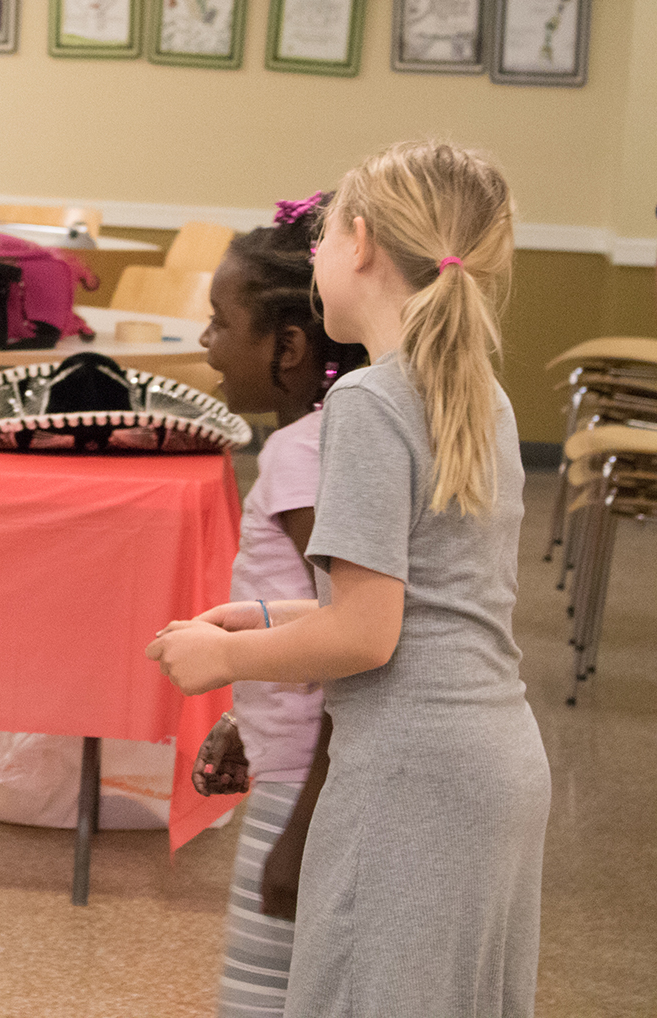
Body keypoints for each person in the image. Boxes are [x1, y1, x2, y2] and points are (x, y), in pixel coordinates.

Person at [147, 140, 549, 1017]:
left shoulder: (369, 402)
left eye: (324, 236)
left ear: (359, 243)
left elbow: (369, 634)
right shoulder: (478, 393)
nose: (319, 253)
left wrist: (224, 662)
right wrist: (270, 618)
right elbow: (431, 603)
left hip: (412, 773)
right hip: (494, 764)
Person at [187, 192, 365, 1017]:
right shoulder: (332, 442)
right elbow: (303, 613)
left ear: (288, 346)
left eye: (221, 322)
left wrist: (301, 825)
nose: (207, 341)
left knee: (260, 999)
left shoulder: (300, 459)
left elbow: (351, 639)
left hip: (306, 784)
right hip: (299, 766)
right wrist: (246, 713)